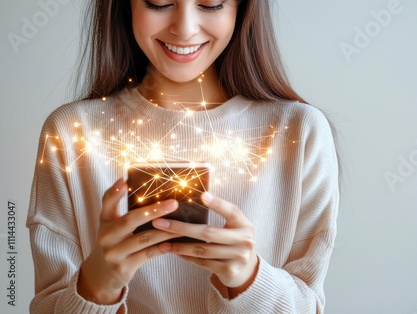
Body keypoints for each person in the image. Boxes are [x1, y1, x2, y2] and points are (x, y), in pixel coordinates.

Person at [26, 0, 340, 313]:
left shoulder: (298, 132)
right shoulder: (71, 132)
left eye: (211, 3)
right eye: (159, 2)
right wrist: (98, 284)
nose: (185, 29)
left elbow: (308, 304)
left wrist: (248, 279)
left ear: (241, 9)